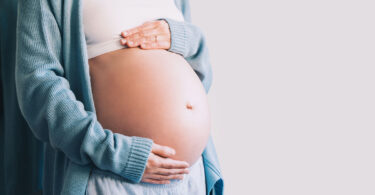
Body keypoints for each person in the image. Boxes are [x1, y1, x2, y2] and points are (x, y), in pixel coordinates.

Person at [15, 0, 224, 194]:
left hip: (190, 178)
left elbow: (199, 67)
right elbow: (38, 84)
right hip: (114, 174)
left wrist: (182, 36)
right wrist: (111, 152)